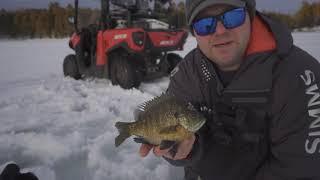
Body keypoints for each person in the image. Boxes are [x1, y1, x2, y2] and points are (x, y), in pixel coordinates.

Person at [138, 0, 320, 179]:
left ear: (250, 14)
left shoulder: (298, 77)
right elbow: (178, 142)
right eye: (205, 24)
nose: (220, 31)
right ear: (194, 31)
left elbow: (299, 169)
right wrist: (186, 151)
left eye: (232, 17)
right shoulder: (187, 74)